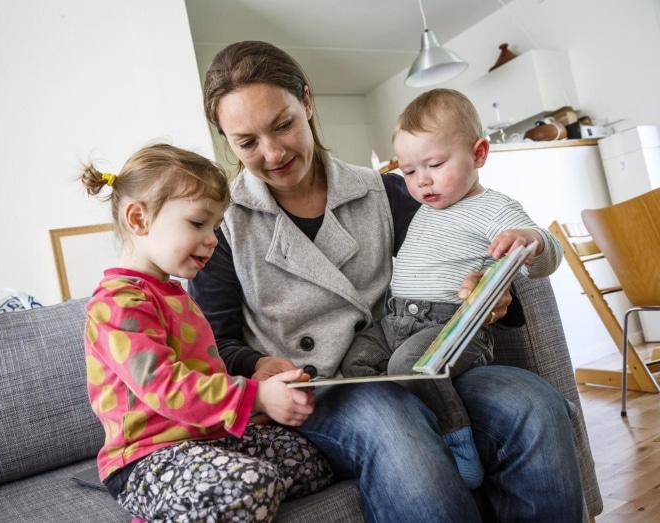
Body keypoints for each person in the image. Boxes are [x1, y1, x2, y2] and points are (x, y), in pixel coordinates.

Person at [188, 40, 584, 522]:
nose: (272, 153)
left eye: (283, 124)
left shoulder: (387, 190)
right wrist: (256, 363)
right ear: (226, 141)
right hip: (324, 390)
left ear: (307, 103)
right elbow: (210, 343)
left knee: (535, 406)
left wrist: (491, 296)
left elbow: (452, 256)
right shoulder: (222, 225)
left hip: (417, 361)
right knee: (398, 428)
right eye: (247, 142)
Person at [80, 142, 332, 522]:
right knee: (252, 485)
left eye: (215, 226)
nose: (213, 238)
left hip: (202, 441)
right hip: (145, 460)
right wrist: (255, 397)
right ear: (138, 219)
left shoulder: (175, 294)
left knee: (313, 462)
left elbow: (202, 379)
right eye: (198, 223)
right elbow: (166, 388)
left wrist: (256, 385)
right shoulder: (118, 305)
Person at [340, 88, 564, 490]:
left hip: (454, 324)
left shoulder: (493, 208)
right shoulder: (425, 208)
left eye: (435, 164)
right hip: (396, 320)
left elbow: (549, 258)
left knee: (407, 365)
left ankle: (457, 442)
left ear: (479, 154)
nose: (422, 181)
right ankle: (410, 432)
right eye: (408, 171)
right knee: (355, 361)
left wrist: (530, 240)